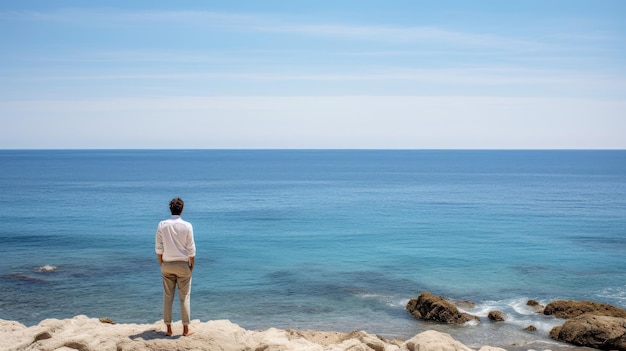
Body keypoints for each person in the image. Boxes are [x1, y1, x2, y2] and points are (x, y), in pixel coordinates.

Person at [155, 197, 196, 336]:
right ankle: (185, 329)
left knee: (168, 297)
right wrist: (191, 266)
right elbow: (191, 250)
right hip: (183, 265)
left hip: (166, 264)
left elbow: (158, 248)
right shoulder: (187, 226)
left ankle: (169, 329)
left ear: (170, 209)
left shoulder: (162, 225)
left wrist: (162, 264)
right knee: (184, 297)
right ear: (182, 210)